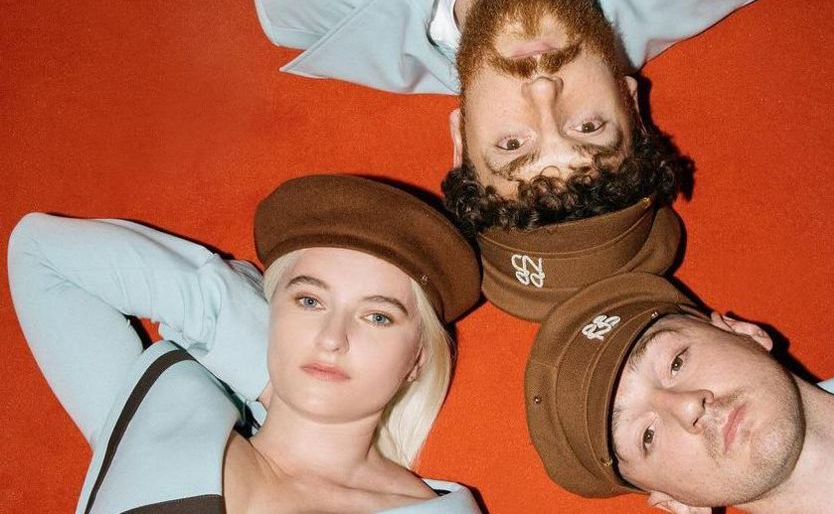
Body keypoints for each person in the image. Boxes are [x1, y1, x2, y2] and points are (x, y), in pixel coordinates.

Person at [7, 174, 483, 513]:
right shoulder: (159, 426)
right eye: (310, 301)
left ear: (417, 360)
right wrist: (265, 371)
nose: (332, 339)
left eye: (377, 316)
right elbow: (41, 252)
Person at [242, 0, 782, 233]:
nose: (544, 91)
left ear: (461, 138)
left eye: (513, 145)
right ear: (630, 102)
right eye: (589, 127)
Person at [524, 268, 834, 513]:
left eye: (676, 361)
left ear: (743, 332)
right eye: (646, 436)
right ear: (671, 500)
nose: (686, 406)